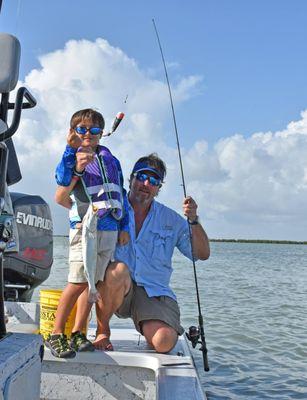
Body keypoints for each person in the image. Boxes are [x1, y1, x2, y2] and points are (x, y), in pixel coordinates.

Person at [93, 153, 210, 353]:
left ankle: (150, 326)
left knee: (164, 343)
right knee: (117, 271)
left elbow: (200, 254)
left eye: (153, 180)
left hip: (154, 292)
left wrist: (194, 220)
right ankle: (103, 330)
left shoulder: (170, 219)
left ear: (158, 189)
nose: (146, 183)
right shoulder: (110, 207)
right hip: (117, 288)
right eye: (141, 176)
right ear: (131, 179)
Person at [45, 108, 129, 358]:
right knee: (76, 282)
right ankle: (57, 332)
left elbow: (121, 193)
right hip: (85, 229)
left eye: (94, 130)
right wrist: (72, 154)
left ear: (101, 133)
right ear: (73, 132)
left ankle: (79, 332)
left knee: (91, 286)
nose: (88, 135)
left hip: (110, 230)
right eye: (82, 129)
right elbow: (61, 180)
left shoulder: (111, 159)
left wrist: (123, 226)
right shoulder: (74, 156)